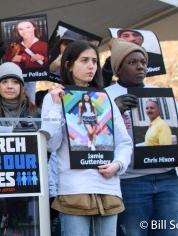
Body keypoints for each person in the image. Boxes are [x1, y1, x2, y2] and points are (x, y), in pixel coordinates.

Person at [103, 39, 178, 236]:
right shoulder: (105, 96)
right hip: (129, 182)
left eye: (143, 62)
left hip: (167, 180)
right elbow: (93, 137)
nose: (140, 67)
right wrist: (112, 112)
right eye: (132, 62)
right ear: (118, 69)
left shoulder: (159, 94)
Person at [42, 40, 132, 236]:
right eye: (84, 60)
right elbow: (50, 144)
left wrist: (118, 165)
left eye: (94, 61)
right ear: (69, 65)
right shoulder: (55, 97)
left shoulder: (105, 97)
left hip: (108, 189)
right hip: (74, 190)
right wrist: (57, 107)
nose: (91, 65)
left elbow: (124, 142)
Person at [0, 62, 41, 235]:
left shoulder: (35, 113)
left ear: (22, 86)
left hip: (28, 188)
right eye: (4, 81)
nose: (10, 86)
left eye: (15, 82)